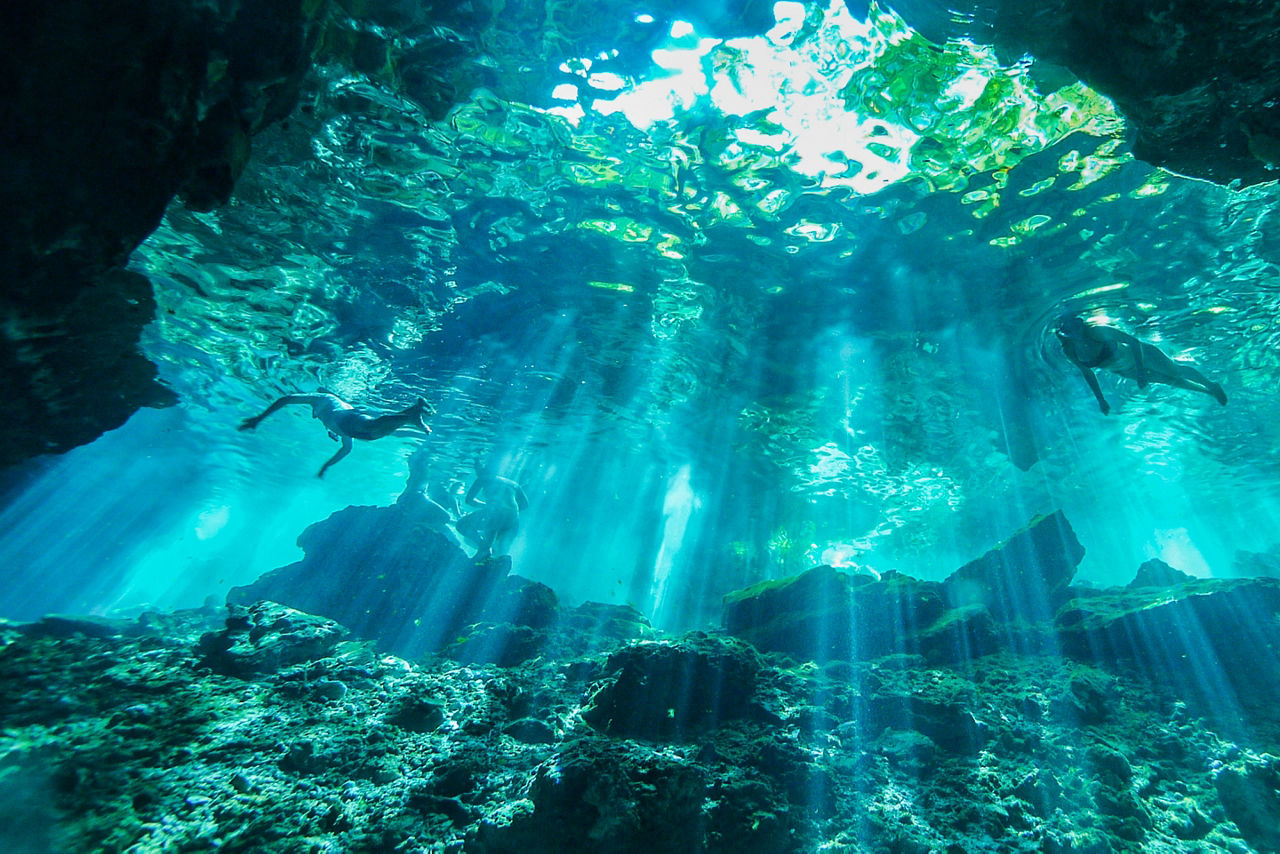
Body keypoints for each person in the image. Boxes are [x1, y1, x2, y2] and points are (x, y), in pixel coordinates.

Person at [1055, 315, 1227, 415]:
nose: (1077, 333)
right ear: (1065, 334)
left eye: (1077, 326)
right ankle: (1209, 391)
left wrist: (1140, 371)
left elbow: (1134, 342)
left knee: (1175, 371)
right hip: (1124, 370)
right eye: (1070, 330)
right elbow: (1087, 373)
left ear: (1081, 324)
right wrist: (1101, 399)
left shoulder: (1098, 331)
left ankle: (1211, 384)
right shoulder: (1070, 350)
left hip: (1144, 357)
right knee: (1170, 381)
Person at [239, 391, 433, 477]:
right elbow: (346, 449)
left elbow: (287, 398)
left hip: (347, 418)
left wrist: (260, 418)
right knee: (375, 433)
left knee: (371, 426)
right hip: (350, 427)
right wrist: (326, 466)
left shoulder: (323, 397)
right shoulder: (328, 418)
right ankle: (411, 415)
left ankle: (411, 415)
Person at [455, 472, 529, 558]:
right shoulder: (514, 484)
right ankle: (487, 555)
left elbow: (468, 501)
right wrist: (511, 511)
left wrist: (486, 506)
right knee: (493, 533)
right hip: (513, 518)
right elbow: (525, 505)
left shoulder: (483, 478)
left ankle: (484, 547)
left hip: (494, 513)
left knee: (461, 525)